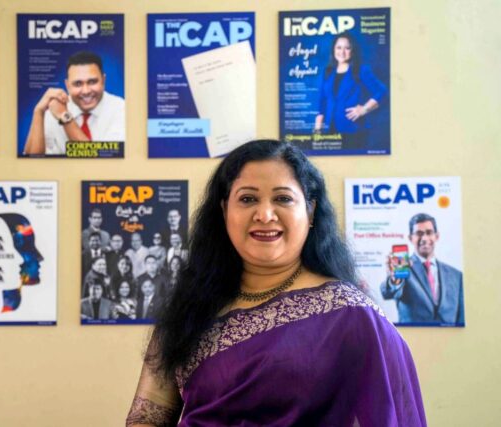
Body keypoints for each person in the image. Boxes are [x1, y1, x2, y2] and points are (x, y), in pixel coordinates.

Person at [127, 140, 426, 426]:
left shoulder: (352, 316)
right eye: (247, 199)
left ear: (309, 211)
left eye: (283, 198)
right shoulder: (190, 308)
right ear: (224, 211)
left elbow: (390, 415)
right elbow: (147, 416)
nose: (265, 214)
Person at [23, 51, 125, 155]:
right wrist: (39, 112)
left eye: (92, 82)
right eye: (78, 84)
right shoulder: (55, 108)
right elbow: (32, 159)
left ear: (103, 81)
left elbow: (99, 158)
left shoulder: (121, 109)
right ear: (67, 86)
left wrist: (64, 117)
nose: (86, 91)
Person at [381, 213, 464, 325]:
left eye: (429, 233)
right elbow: (387, 292)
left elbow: (461, 318)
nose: (424, 238)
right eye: (419, 233)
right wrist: (394, 279)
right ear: (410, 238)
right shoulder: (403, 268)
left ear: (437, 236)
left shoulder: (456, 276)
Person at [314, 32, 387, 140]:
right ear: (333, 49)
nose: (342, 52)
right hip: (329, 131)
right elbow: (322, 104)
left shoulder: (361, 70)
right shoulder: (327, 72)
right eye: (338, 47)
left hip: (354, 131)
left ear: (352, 51)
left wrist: (364, 109)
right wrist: (317, 131)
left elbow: (382, 92)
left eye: (347, 48)